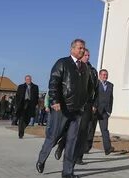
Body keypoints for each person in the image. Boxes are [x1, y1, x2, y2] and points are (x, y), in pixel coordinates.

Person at [36, 38, 92, 178]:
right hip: (62, 109)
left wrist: (85, 103)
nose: (82, 50)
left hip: (77, 110)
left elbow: (89, 88)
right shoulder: (62, 63)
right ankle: (41, 159)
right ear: (72, 49)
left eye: (83, 48)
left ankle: (67, 172)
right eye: (80, 48)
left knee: (72, 141)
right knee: (53, 137)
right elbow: (54, 82)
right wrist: (54, 100)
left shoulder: (85, 68)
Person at [54, 48, 97, 165]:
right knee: (71, 129)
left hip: (87, 105)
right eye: (85, 55)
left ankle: (78, 157)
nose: (87, 57)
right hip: (74, 104)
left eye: (88, 55)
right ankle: (61, 145)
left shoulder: (92, 71)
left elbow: (95, 89)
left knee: (83, 131)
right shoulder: (73, 68)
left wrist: (94, 103)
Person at [93, 69, 115, 155]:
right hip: (95, 111)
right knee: (90, 131)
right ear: (99, 75)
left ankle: (108, 148)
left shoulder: (110, 85)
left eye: (106, 75)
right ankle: (85, 148)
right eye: (103, 75)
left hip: (105, 112)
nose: (105, 76)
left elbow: (111, 99)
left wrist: (109, 111)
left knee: (105, 130)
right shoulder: (96, 84)